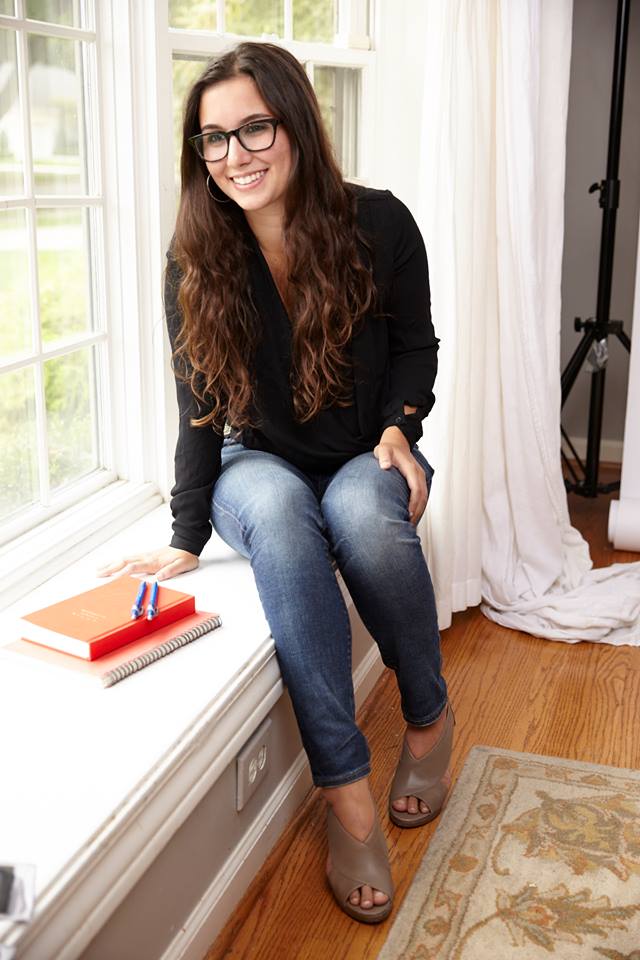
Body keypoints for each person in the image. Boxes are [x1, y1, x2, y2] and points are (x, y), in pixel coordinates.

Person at [98, 41, 453, 924]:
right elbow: (196, 409)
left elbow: (418, 345)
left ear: (294, 121)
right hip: (254, 462)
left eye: (253, 126)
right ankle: (346, 795)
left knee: (367, 522)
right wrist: (185, 538)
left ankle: (428, 716)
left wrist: (400, 430)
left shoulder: (380, 224)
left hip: (364, 450)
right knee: (282, 518)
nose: (235, 154)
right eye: (212, 139)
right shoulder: (195, 260)